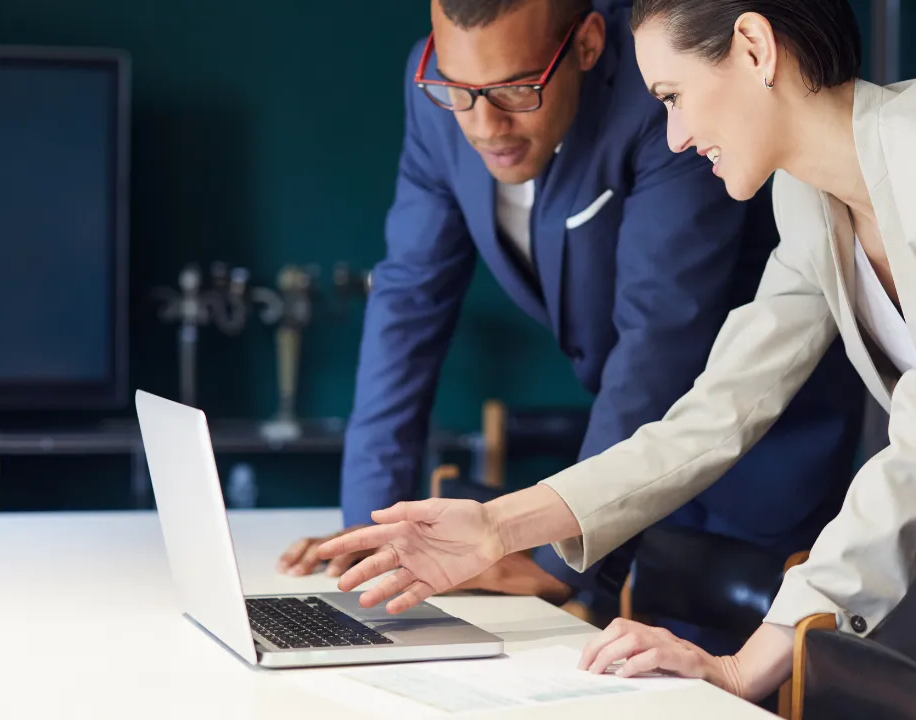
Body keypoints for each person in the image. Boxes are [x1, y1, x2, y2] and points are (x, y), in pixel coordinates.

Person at [319, 0, 916, 716]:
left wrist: (752, 662)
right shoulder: (808, 204)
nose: (674, 135)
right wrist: (499, 524)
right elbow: (714, 414)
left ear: (753, 47)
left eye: (673, 97)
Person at [280, 0, 864, 645]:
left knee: (722, 672)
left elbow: (658, 335)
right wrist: (377, 536)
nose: (484, 125)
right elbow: (407, 305)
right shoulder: (438, 91)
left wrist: (556, 562)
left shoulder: (661, 95)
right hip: (623, 453)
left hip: (759, 454)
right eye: (459, 90)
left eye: (516, 89)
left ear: (586, 44)